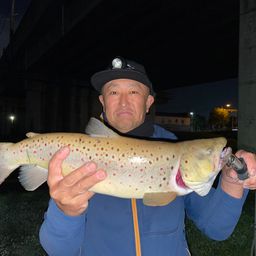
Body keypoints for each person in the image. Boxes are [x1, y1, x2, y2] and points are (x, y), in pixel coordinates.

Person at [40, 57, 256, 256]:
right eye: (114, 92)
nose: (123, 102)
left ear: (149, 102)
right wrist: (65, 210)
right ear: (102, 101)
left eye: (133, 92)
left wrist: (232, 182)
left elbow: (216, 228)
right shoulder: (78, 153)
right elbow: (59, 250)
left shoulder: (179, 152)